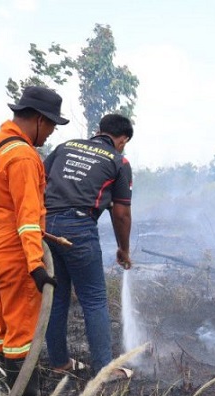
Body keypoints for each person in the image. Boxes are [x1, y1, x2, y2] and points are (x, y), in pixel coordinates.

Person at [0, 86, 68, 396]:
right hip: (11, 253)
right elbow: (27, 218)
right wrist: (36, 265)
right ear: (39, 119)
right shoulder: (24, 156)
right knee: (23, 332)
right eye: (52, 125)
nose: (51, 132)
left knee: (5, 327)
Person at [43, 113, 134, 379]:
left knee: (57, 296)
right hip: (79, 228)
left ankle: (60, 363)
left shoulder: (65, 147)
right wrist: (123, 250)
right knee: (94, 299)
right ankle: (104, 370)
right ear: (122, 140)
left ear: (98, 131)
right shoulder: (119, 161)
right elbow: (121, 213)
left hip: (45, 226)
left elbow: (39, 181)